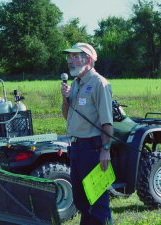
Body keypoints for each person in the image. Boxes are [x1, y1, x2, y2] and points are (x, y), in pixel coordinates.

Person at [61, 42, 113, 225]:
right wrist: (65, 99)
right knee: (81, 202)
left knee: (98, 203)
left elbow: (107, 122)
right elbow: (67, 117)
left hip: (94, 149)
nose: (70, 60)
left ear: (88, 59)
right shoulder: (75, 84)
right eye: (69, 57)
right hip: (76, 148)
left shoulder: (100, 83)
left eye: (75, 56)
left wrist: (105, 150)